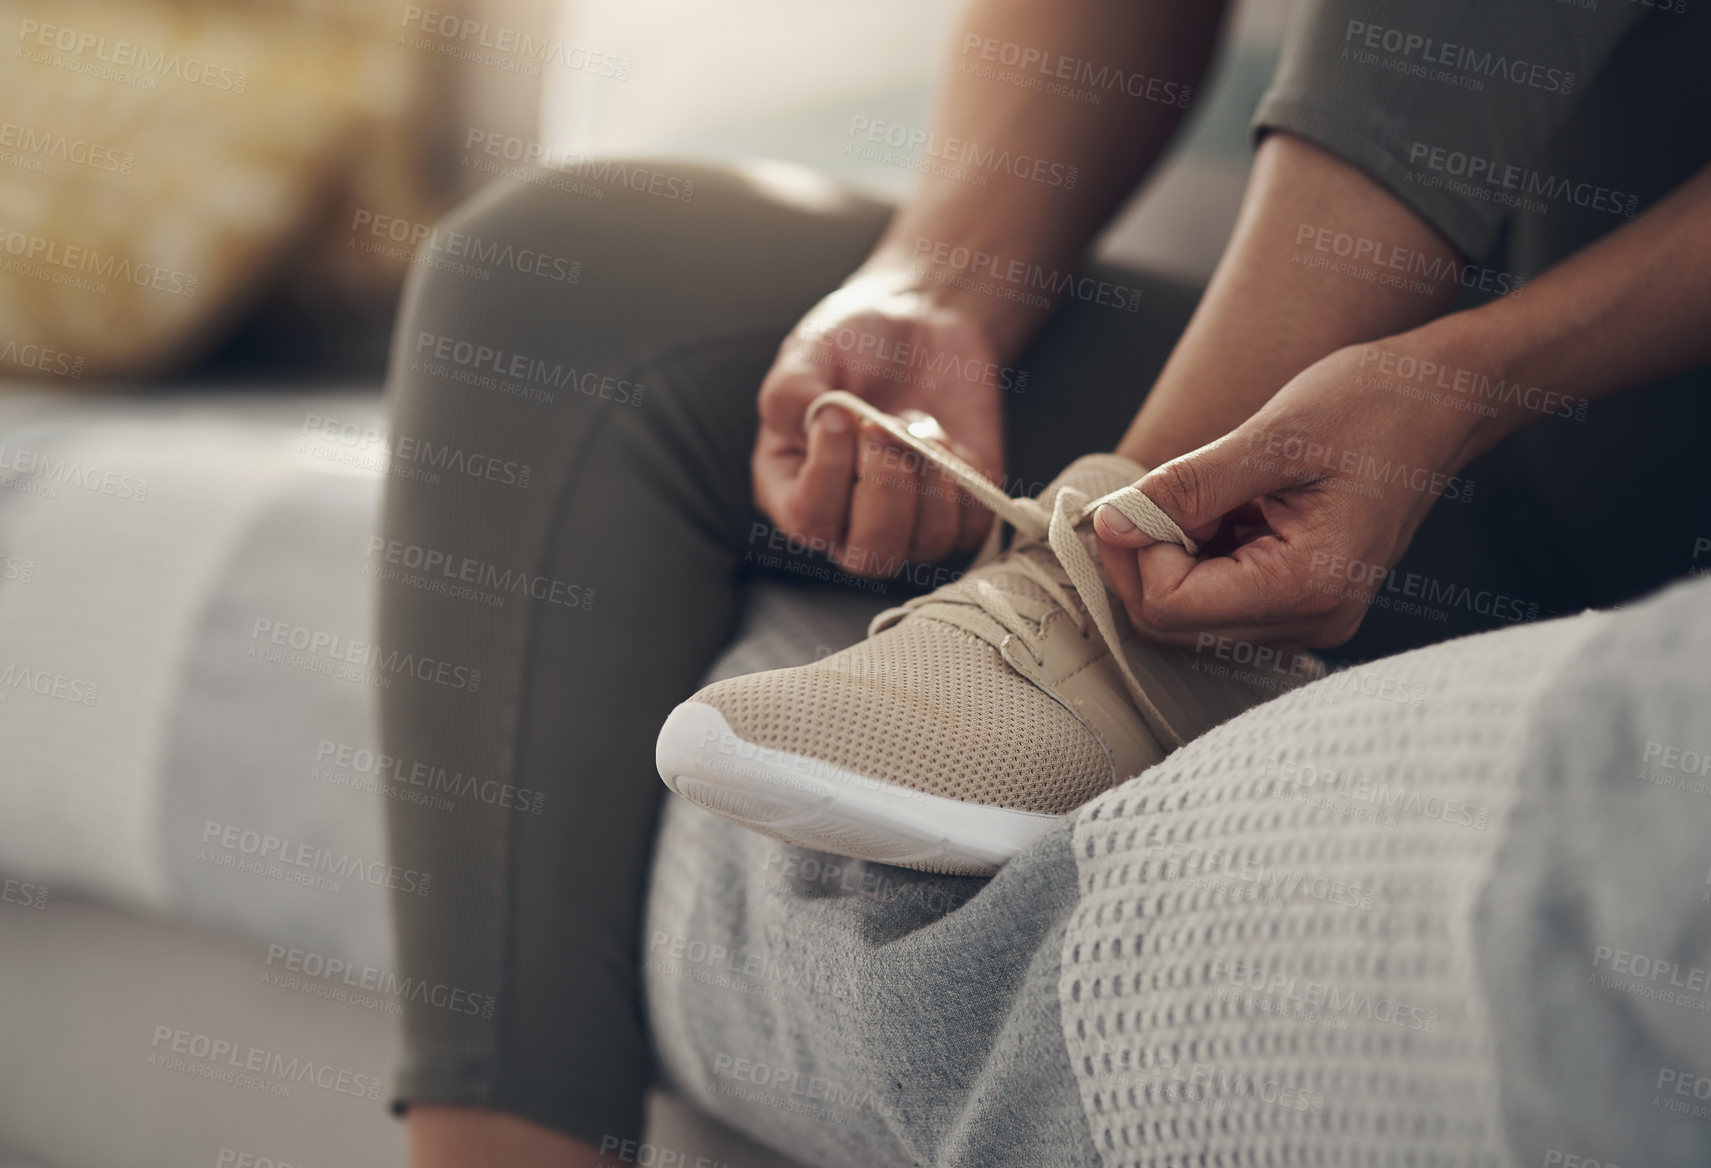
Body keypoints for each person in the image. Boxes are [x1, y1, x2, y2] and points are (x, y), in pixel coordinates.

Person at [377, 0, 1711, 1162]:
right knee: (550, 297)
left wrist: (1471, 380)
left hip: (1635, 396)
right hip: (1413, 383)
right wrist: (938, 281)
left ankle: (1116, 584)